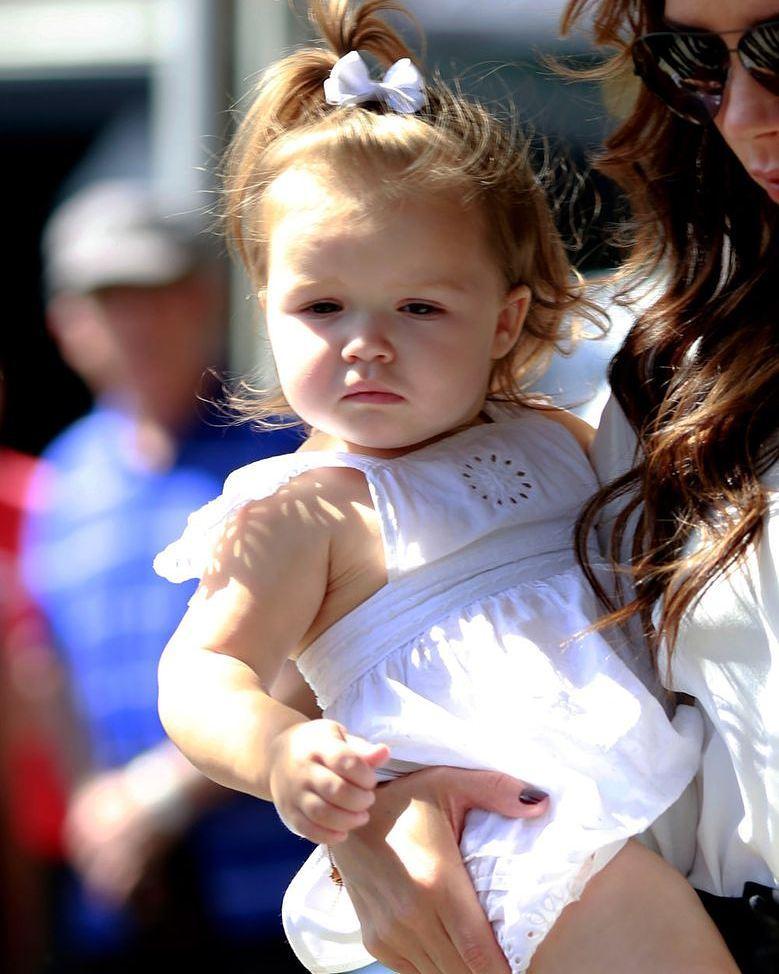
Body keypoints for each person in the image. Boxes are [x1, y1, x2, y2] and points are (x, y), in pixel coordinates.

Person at [152, 3, 738, 973]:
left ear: (505, 320)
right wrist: (280, 753)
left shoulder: (564, 441)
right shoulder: (305, 506)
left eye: (419, 305)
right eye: (320, 305)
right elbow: (201, 673)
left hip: (622, 823)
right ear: (266, 309)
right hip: (481, 866)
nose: (364, 341)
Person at [304, 2, 778, 974]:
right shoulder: (672, 367)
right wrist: (399, 797)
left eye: (778, 44)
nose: (739, 112)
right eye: (690, 57)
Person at [22, 181, 305, 971]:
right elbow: (48, 666)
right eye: (111, 300)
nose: (139, 322)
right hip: (126, 904)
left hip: (280, 898)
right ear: (67, 326)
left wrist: (162, 797)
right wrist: (94, 805)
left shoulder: (284, 453)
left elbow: (316, 652)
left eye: (159, 292)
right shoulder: (64, 480)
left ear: (206, 299)